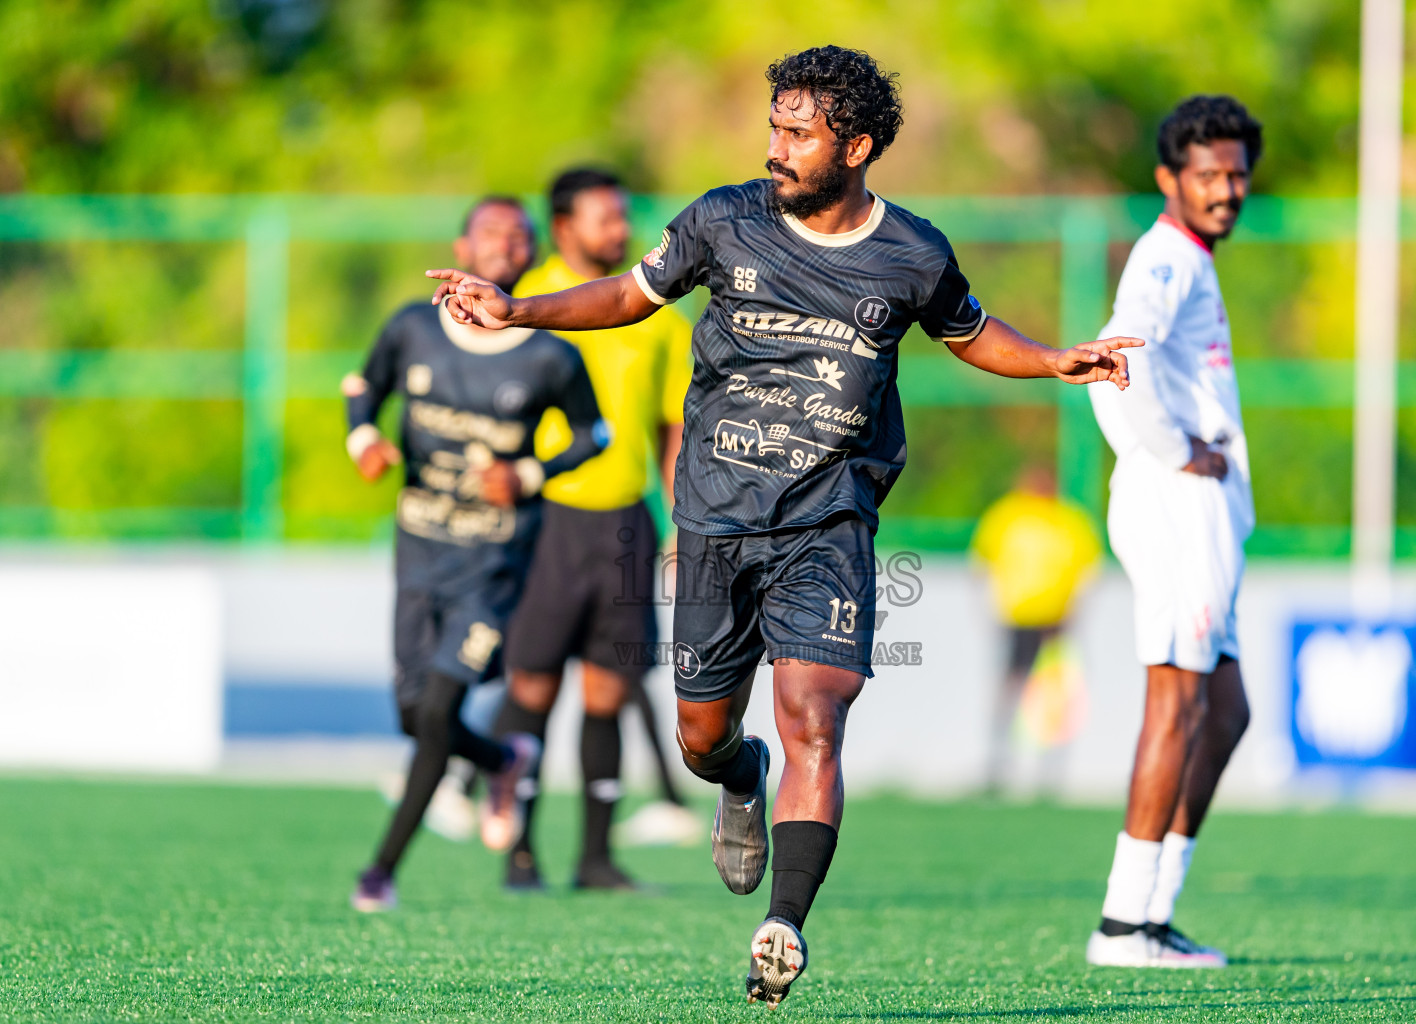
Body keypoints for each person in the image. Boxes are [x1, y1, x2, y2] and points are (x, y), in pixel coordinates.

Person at [424, 46, 1140, 1005]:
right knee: (701, 737)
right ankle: (738, 777)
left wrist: (1053, 361)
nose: (777, 148)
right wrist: (522, 308)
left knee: (817, 713)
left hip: (830, 520)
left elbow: (970, 332)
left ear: (859, 145)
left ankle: (784, 925)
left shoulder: (914, 253)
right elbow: (629, 297)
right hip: (717, 518)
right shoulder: (723, 220)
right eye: (774, 127)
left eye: (798, 134)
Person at [344, 195, 608, 912]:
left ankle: (382, 872)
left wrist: (526, 475)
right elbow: (362, 389)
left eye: (518, 236)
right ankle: (502, 759)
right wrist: (363, 438)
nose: (504, 242)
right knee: (411, 713)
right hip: (419, 551)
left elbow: (597, 434)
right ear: (461, 246)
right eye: (490, 231)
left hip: (493, 565)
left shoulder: (551, 353)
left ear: (528, 257)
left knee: (437, 707)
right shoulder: (410, 329)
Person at [1083, 95, 1262, 968]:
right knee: (1178, 702)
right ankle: (1123, 924)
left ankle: (1153, 914)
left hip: (1204, 514)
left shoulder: (1193, 255)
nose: (1226, 189)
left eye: (1235, 174)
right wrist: (1173, 451)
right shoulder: (1162, 258)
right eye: (1208, 175)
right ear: (1169, 180)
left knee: (1224, 712)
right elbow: (1112, 366)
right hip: (1174, 508)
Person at [491, 167, 697, 890]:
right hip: (542, 523)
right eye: (604, 217)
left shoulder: (659, 314)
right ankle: (518, 850)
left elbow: (675, 425)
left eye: (622, 216)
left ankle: (596, 857)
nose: (620, 229)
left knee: (609, 691)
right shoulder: (524, 302)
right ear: (564, 225)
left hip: (625, 527)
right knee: (534, 689)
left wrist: (680, 521)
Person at [970, 465, 1101, 790]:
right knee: (1011, 687)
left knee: (1053, 691)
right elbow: (982, 562)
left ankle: (1050, 768)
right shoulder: (1007, 514)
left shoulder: (1070, 519)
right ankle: (999, 761)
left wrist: (1077, 610)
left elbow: (1089, 569)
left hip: (1057, 621)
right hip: (1018, 619)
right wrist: (989, 608)